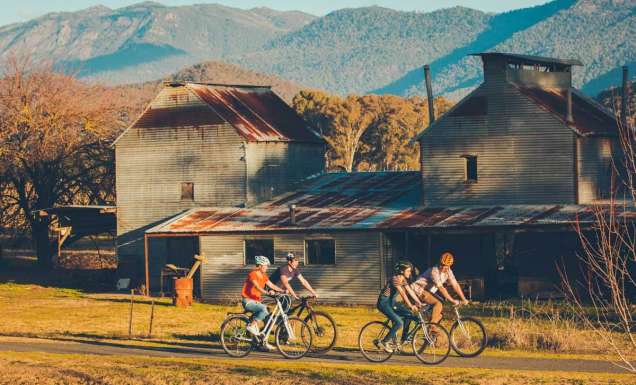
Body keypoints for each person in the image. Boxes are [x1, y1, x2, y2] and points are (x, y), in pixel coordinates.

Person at [377, 260, 423, 352]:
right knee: (399, 322)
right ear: (402, 271)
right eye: (408, 271)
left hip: (391, 302)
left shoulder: (403, 279)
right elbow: (402, 293)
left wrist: (419, 302)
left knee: (409, 315)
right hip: (384, 303)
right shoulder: (395, 279)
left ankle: (402, 339)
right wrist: (410, 305)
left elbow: (409, 290)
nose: (410, 273)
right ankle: (384, 342)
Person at [411, 251, 469, 324]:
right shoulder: (434, 271)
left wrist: (464, 299)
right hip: (418, 289)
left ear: (450, 265)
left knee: (439, 313)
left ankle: (430, 328)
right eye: (442, 264)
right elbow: (441, 288)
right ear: (439, 262)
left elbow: (456, 285)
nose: (443, 267)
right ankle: (432, 327)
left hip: (428, 290)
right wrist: (452, 300)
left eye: (446, 265)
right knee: (438, 304)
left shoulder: (449, 271)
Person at [241, 255, 285, 349]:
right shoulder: (252, 274)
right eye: (266, 265)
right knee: (264, 309)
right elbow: (257, 287)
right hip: (248, 301)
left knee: (269, 320)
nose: (267, 267)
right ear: (260, 265)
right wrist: (266, 292)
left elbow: (271, 285)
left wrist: (282, 291)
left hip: (256, 302)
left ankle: (263, 342)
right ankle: (251, 326)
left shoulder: (264, 276)